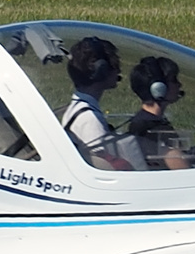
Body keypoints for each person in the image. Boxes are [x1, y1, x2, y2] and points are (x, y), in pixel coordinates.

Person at [61, 37, 146, 170]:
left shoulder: (77, 107)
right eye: (114, 65)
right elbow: (107, 166)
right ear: (101, 70)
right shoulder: (90, 119)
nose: (118, 71)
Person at [126, 56, 191, 170]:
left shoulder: (139, 121)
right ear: (159, 88)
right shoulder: (158, 131)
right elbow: (184, 171)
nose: (179, 85)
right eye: (174, 80)